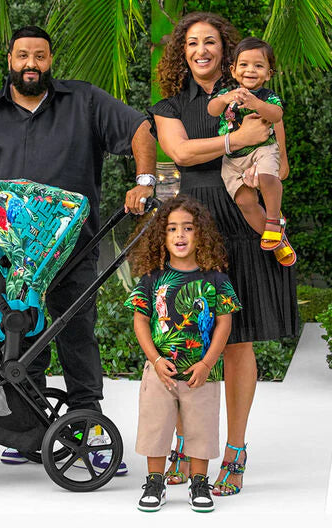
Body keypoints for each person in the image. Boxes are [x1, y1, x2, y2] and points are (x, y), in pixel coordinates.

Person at [0, 25, 156, 469]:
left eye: (39, 56)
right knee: (18, 339)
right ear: (9, 59)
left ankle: (90, 430)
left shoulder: (84, 101)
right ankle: (28, 431)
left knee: (76, 334)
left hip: (71, 250)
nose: (31, 64)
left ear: (50, 60)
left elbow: (140, 128)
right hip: (5, 255)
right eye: (23, 55)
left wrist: (144, 181)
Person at [149, 12, 299, 496]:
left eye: (210, 41)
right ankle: (185, 445)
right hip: (192, 225)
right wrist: (238, 139)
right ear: (182, 51)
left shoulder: (258, 97)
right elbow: (182, 154)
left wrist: (260, 163)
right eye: (192, 42)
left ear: (226, 51)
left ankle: (235, 451)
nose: (201, 50)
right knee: (183, 336)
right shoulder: (170, 105)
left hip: (242, 221)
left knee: (237, 342)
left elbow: (281, 163)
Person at [125, 195, 241, 512]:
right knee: (156, 425)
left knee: (201, 427)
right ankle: (154, 481)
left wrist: (207, 363)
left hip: (200, 372)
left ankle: (199, 482)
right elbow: (140, 321)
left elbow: (224, 323)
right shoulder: (152, 278)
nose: (180, 235)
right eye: (172, 228)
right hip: (159, 371)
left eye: (188, 228)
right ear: (161, 236)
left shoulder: (215, 279)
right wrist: (155, 360)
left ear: (200, 234)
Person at [207, 37, 296, 265]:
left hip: (261, 149)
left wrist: (257, 104)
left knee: (267, 177)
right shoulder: (228, 92)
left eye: (258, 65)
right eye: (244, 64)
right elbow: (212, 109)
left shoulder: (267, 96)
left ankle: (273, 221)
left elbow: (276, 115)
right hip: (232, 158)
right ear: (233, 70)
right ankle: (278, 241)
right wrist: (224, 98)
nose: (250, 70)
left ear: (268, 74)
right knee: (245, 201)